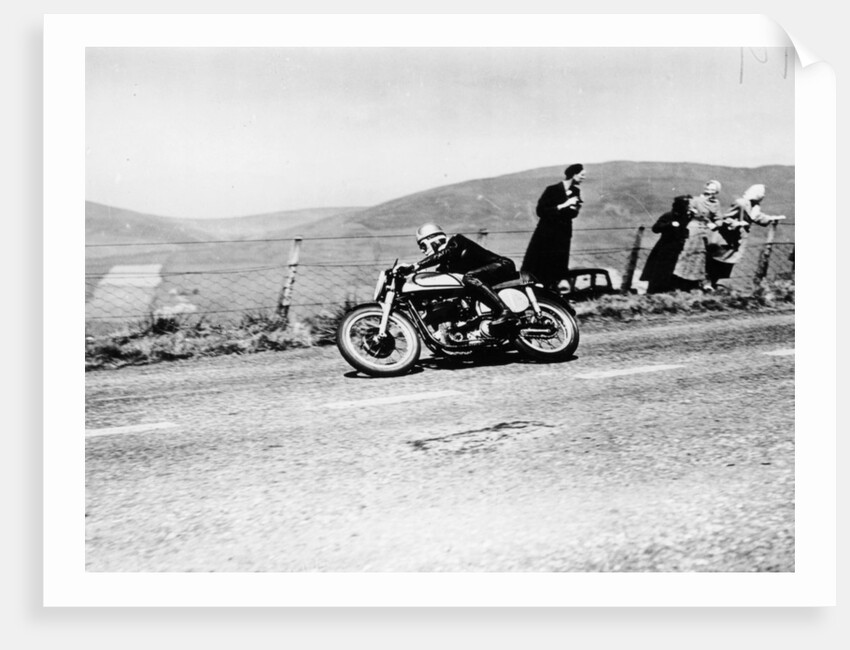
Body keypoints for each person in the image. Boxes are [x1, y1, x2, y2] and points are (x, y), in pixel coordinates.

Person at [402, 223, 519, 336]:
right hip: (486, 276)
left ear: (433, 239)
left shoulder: (457, 241)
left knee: (470, 277)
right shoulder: (444, 265)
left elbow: (446, 253)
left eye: (422, 245)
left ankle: (505, 311)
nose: (422, 250)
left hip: (502, 265)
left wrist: (415, 266)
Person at [705, 183, 786, 288]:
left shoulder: (753, 205)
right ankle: (710, 283)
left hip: (737, 238)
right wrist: (735, 224)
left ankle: (717, 285)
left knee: (729, 260)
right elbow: (727, 217)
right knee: (719, 260)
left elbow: (755, 216)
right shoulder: (741, 203)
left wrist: (771, 218)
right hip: (728, 236)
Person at [520, 163, 586, 290]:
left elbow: (572, 214)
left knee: (558, 265)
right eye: (582, 175)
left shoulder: (576, 191)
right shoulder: (552, 190)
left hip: (563, 235)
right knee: (539, 262)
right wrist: (564, 205)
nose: (583, 178)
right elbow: (541, 211)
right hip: (546, 234)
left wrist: (575, 208)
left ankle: (552, 290)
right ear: (574, 174)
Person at [671, 180, 723, 291]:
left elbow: (719, 218)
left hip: (706, 232)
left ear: (716, 192)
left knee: (700, 257)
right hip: (693, 230)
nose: (710, 192)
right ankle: (680, 282)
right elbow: (688, 213)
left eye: (713, 190)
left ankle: (694, 283)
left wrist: (715, 225)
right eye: (708, 189)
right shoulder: (695, 200)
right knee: (687, 254)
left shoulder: (716, 203)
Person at [639, 194, 693, 294]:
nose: (689, 207)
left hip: (679, 249)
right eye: (687, 205)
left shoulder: (687, 217)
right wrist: (670, 224)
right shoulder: (669, 216)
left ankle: (666, 294)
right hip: (665, 249)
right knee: (659, 272)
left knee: (671, 274)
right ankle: (653, 293)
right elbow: (655, 228)